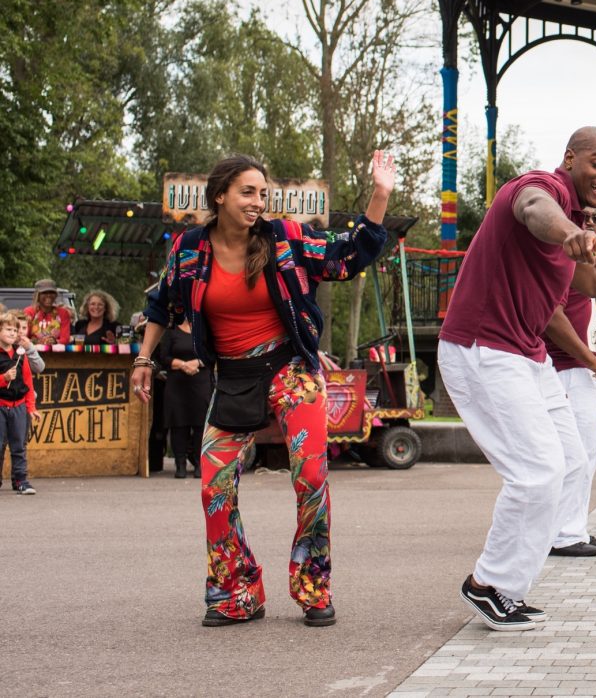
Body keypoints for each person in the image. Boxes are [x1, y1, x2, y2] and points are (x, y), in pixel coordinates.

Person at [134, 152, 394, 627]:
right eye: (247, 192)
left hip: (290, 368)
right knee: (213, 485)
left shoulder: (285, 238)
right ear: (220, 196)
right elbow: (162, 306)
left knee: (310, 476)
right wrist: (143, 360)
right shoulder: (190, 249)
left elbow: (347, 256)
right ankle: (237, 593)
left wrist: (379, 194)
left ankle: (313, 586)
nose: (258, 202)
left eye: (262, 193)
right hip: (234, 376)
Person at [438, 127, 596, 632]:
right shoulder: (540, 187)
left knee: (569, 461)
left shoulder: (580, 221)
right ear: (570, 159)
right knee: (537, 470)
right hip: (482, 346)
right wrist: (568, 232)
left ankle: (506, 589)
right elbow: (533, 208)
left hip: (527, 352)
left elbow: (595, 277)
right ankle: (487, 584)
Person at [543, 287, 596, 557]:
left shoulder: (580, 271)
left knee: (587, 454)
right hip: (568, 370)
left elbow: (581, 318)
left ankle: (574, 527)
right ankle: (563, 534)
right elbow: (553, 317)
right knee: (574, 456)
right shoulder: (566, 268)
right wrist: (591, 359)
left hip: (581, 369)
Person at [157, 317, 211, 480]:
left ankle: (199, 464)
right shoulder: (171, 331)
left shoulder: (205, 330)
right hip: (177, 384)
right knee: (178, 424)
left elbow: (213, 354)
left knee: (200, 424)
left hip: (201, 383)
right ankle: (180, 464)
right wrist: (182, 364)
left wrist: (197, 362)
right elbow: (163, 357)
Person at [0, 311, 45, 494]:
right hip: (1, 404)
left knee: (19, 446)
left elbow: (28, 382)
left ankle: (21, 481)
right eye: (8, 329)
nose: (12, 333)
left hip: (18, 405)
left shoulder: (21, 355)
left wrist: (31, 407)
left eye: (14, 330)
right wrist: (4, 378)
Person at [24, 279, 70, 345]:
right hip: (33, 350)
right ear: (38, 295)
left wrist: (55, 341)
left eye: (51, 292)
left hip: (56, 351)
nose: (48, 295)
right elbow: (23, 336)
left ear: (55, 295)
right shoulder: (29, 312)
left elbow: (65, 339)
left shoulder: (63, 313)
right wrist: (37, 342)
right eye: (44, 292)